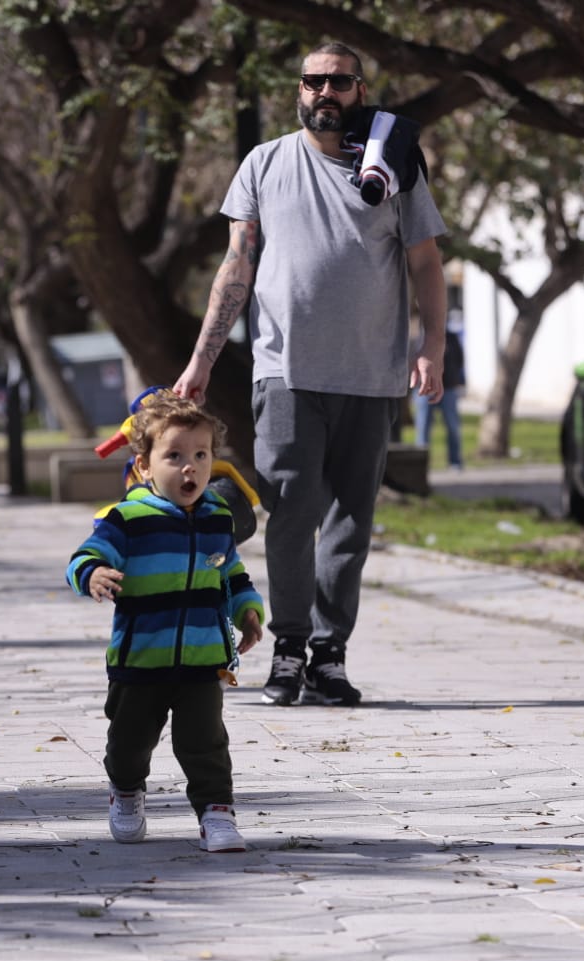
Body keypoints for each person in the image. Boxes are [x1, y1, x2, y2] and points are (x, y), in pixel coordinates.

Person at [174, 41, 449, 708]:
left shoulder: (394, 166)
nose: (325, 91)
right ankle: (289, 651)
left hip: (372, 376)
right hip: (285, 372)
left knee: (351, 521)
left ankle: (330, 655)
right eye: (314, 80)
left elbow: (425, 265)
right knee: (292, 516)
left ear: (361, 90)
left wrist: (432, 347)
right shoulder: (265, 163)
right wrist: (201, 361)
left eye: (340, 82)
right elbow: (237, 266)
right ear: (297, 89)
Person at [66, 391, 265, 852]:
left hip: (202, 658)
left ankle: (216, 814)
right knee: (130, 743)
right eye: (174, 456)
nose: (189, 467)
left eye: (200, 455)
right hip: (141, 660)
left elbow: (231, 573)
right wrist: (92, 573)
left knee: (206, 743)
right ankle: (127, 792)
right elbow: (86, 555)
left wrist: (249, 610)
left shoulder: (218, 518)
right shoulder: (128, 520)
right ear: (144, 465)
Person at [413, 318, 466, 470]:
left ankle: (455, 462)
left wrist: (453, 378)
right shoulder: (419, 338)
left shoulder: (451, 337)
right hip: (423, 389)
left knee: (453, 426)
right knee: (423, 428)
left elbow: (459, 359)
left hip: (448, 387)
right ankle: (420, 466)